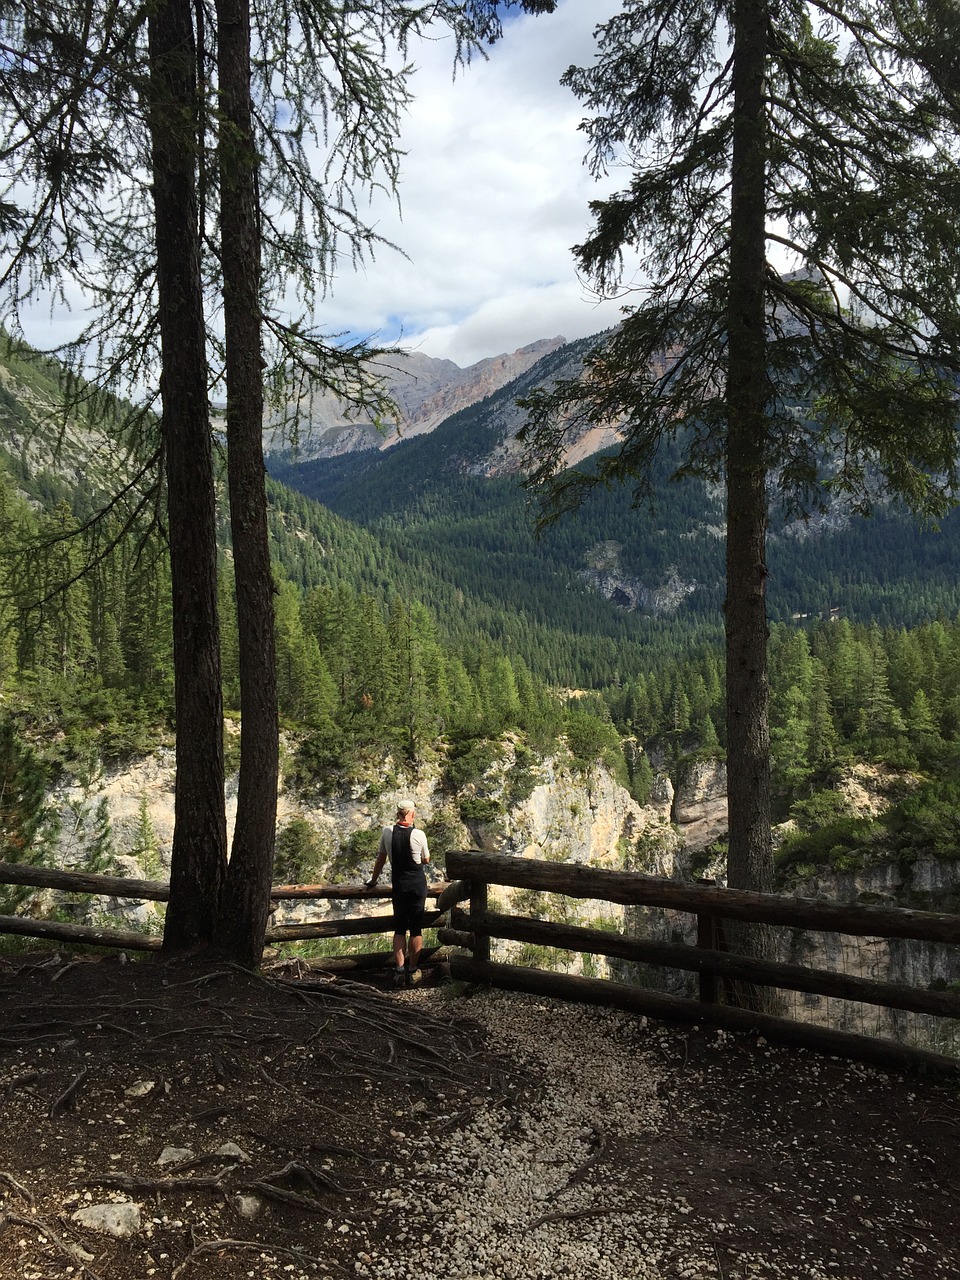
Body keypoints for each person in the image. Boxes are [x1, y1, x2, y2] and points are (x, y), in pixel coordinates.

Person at [366, 801, 431, 987]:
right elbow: (425, 859)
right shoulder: (419, 834)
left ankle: (399, 970)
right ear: (411, 814)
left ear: (398, 813)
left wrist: (373, 880)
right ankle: (412, 970)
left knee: (400, 928)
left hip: (399, 884)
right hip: (417, 885)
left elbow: (381, 858)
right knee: (416, 929)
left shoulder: (387, 832)